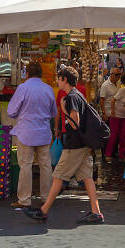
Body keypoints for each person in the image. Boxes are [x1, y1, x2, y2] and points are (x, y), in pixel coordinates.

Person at [23, 66, 104, 224]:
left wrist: (63, 108)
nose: (57, 82)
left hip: (74, 145)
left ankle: (43, 211)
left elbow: (75, 123)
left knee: (58, 176)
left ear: (64, 80)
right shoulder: (78, 95)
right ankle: (96, 212)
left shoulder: (70, 98)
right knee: (87, 178)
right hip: (82, 145)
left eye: (58, 79)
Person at [7, 62, 57, 209]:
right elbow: (53, 112)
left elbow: (11, 111)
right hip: (43, 132)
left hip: (26, 133)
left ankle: (24, 199)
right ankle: (46, 197)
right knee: (46, 165)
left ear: (26, 73)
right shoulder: (48, 89)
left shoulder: (23, 88)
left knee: (25, 166)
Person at [105, 73, 125, 160]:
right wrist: (112, 112)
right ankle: (108, 154)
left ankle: (122, 154)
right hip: (116, 115)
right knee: (113, 135)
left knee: (123, 136)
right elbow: (113, 100)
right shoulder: (122, 90)